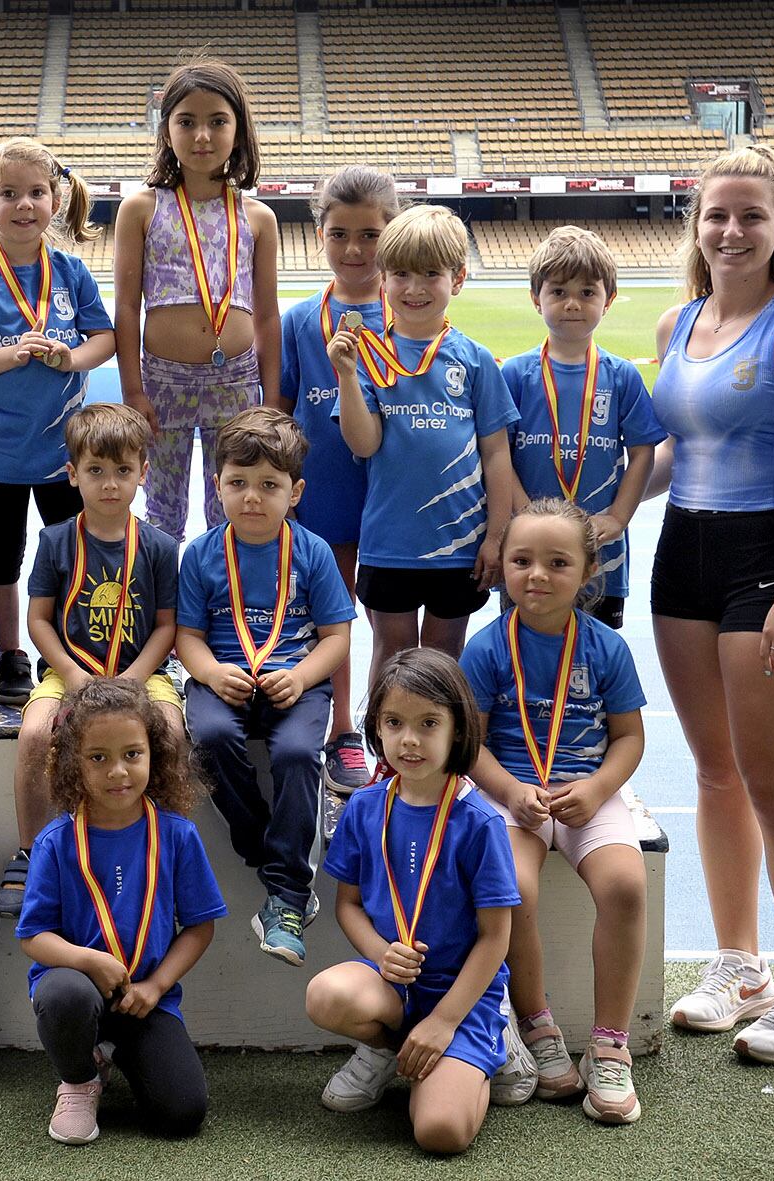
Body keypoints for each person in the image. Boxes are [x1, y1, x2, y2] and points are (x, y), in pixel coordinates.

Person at [650, 145, 774, 1064]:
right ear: (696, 225)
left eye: (752, 215)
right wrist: (597, 511)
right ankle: (742, 966)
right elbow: (669, 456)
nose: (731, 230)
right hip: (682, 553)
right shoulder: (676, 323)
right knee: (714, 772)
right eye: (716, 215)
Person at [461, 500, 648, 1123]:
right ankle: (538, 1029)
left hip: (586, 792)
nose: (536, 575)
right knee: (513, 889)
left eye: (557, 562)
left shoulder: (606, 648)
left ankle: (610, 1045)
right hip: (510, 793)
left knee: (625, 886)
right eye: (521, 561)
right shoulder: (486, 650)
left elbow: (628, 738)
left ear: (589, 572)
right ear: (502, 567)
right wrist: (511, 792)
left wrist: (597, 788)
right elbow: (471, 745)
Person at [305, 648, 518, 1155]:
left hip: (461, 997)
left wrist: (444, 1022)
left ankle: (488, 1045)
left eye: (428, 723)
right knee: (325, 995)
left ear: (459, 731)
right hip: (392, 986)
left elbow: (496, 937)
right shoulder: (362, 806)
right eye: (394, 722)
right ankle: (390, 1051)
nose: (410, 740)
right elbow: (348, 906)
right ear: (376, 728)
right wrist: (380, 953)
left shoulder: (480, 823)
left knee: (440, 1133)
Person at [0, 137, 115, 706]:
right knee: (3, 560)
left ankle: (69, 648)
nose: (24, 205)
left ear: (56, 198)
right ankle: (12, 655)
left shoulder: (70, 271)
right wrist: (11, 354)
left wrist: (71, 357)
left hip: (68, 454)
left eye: (37, 192)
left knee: (74, 553)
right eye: (8, 193)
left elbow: (105, 338)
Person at [176, 407, 353, 966]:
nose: (252, 497)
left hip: (294, 684)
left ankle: (287, 896)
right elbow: (187, 635)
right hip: (222, 681)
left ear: (295, 491)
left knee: (300, 753)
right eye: (238, 483)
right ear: (217, 485)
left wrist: (301, 676)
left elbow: (336, 638)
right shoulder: (202, 553)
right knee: (206, 737)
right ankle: (266, 850)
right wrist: (208, 673)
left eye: (269, 485)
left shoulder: (314, 553)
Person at [17, 677, 226, 1144]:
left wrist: (156, 985)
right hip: (76, 986)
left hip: (144, 999)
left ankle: (114, 1051)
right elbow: (34, 936)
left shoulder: (177, 835)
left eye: (132, 754)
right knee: (66, 995)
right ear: (74, 764)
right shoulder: (57, 842)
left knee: (181, 1115)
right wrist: (87, 959)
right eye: (99, 758)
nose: (117, 771)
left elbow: (199, 927)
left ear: (153, 754)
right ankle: (79, 1078)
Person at [1, 403, 182, 917]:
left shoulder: (161, 547)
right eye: (96, 471)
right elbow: (38, 621)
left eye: (123, 471)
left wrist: (132, 680)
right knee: (35, 734)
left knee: (168, 732)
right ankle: (31, 850)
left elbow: (167, 626)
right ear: (72, 474)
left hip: (142, 674)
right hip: (68, 671)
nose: (110, 484)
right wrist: (75, 674)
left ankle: (159, 845)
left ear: (144, 473)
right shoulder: (55, 541)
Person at [333, 204, 519, 675]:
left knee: (442, 657)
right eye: (401, 274)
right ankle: (384, 748)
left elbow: (497, 455)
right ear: (383, 279)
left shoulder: (475, 359)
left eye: (430, 274)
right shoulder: (371, 354)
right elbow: (364, 444)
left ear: (457, 279)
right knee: (391, 655)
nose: (414, 288)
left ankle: (436, 749)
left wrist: (496, 537)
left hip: (459, 543)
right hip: (389, 541)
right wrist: (347, 378)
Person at [275, 164, 404, 796]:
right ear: (319, 233)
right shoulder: (301, 320)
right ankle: (342, 734)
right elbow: (281, 410)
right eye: (339, 234)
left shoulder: (409, 313)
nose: (354, 250)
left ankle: (389, 733)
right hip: (321, 495)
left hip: (392, 497)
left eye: (371, 235)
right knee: (332, 618)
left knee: (391, 625)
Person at [112, 58, 280, 542]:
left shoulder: (258, 217)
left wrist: (269, 400)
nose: (201, 136)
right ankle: (165, 614)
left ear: (239, 130)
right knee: (161, 510)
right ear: (166, 130)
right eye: (186, 121)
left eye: (217, 122)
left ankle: (223, 610)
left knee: (232, 509)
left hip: (238, 380)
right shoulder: (142, 208)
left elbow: (267, 315)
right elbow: (126, 309)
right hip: (162, 382)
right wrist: (133, 392)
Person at [500, 226, 665, 629]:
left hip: (600, 552)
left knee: (595, 656)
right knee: (522, 651)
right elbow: (498, 453)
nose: (572, 303)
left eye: (587, 292)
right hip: (529, 552)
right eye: (558, 292)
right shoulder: (515, 374)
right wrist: (524, 511)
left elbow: (644, 451)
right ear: (536, 299)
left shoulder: (622, 376)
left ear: (608, 300)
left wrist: (618, 518)